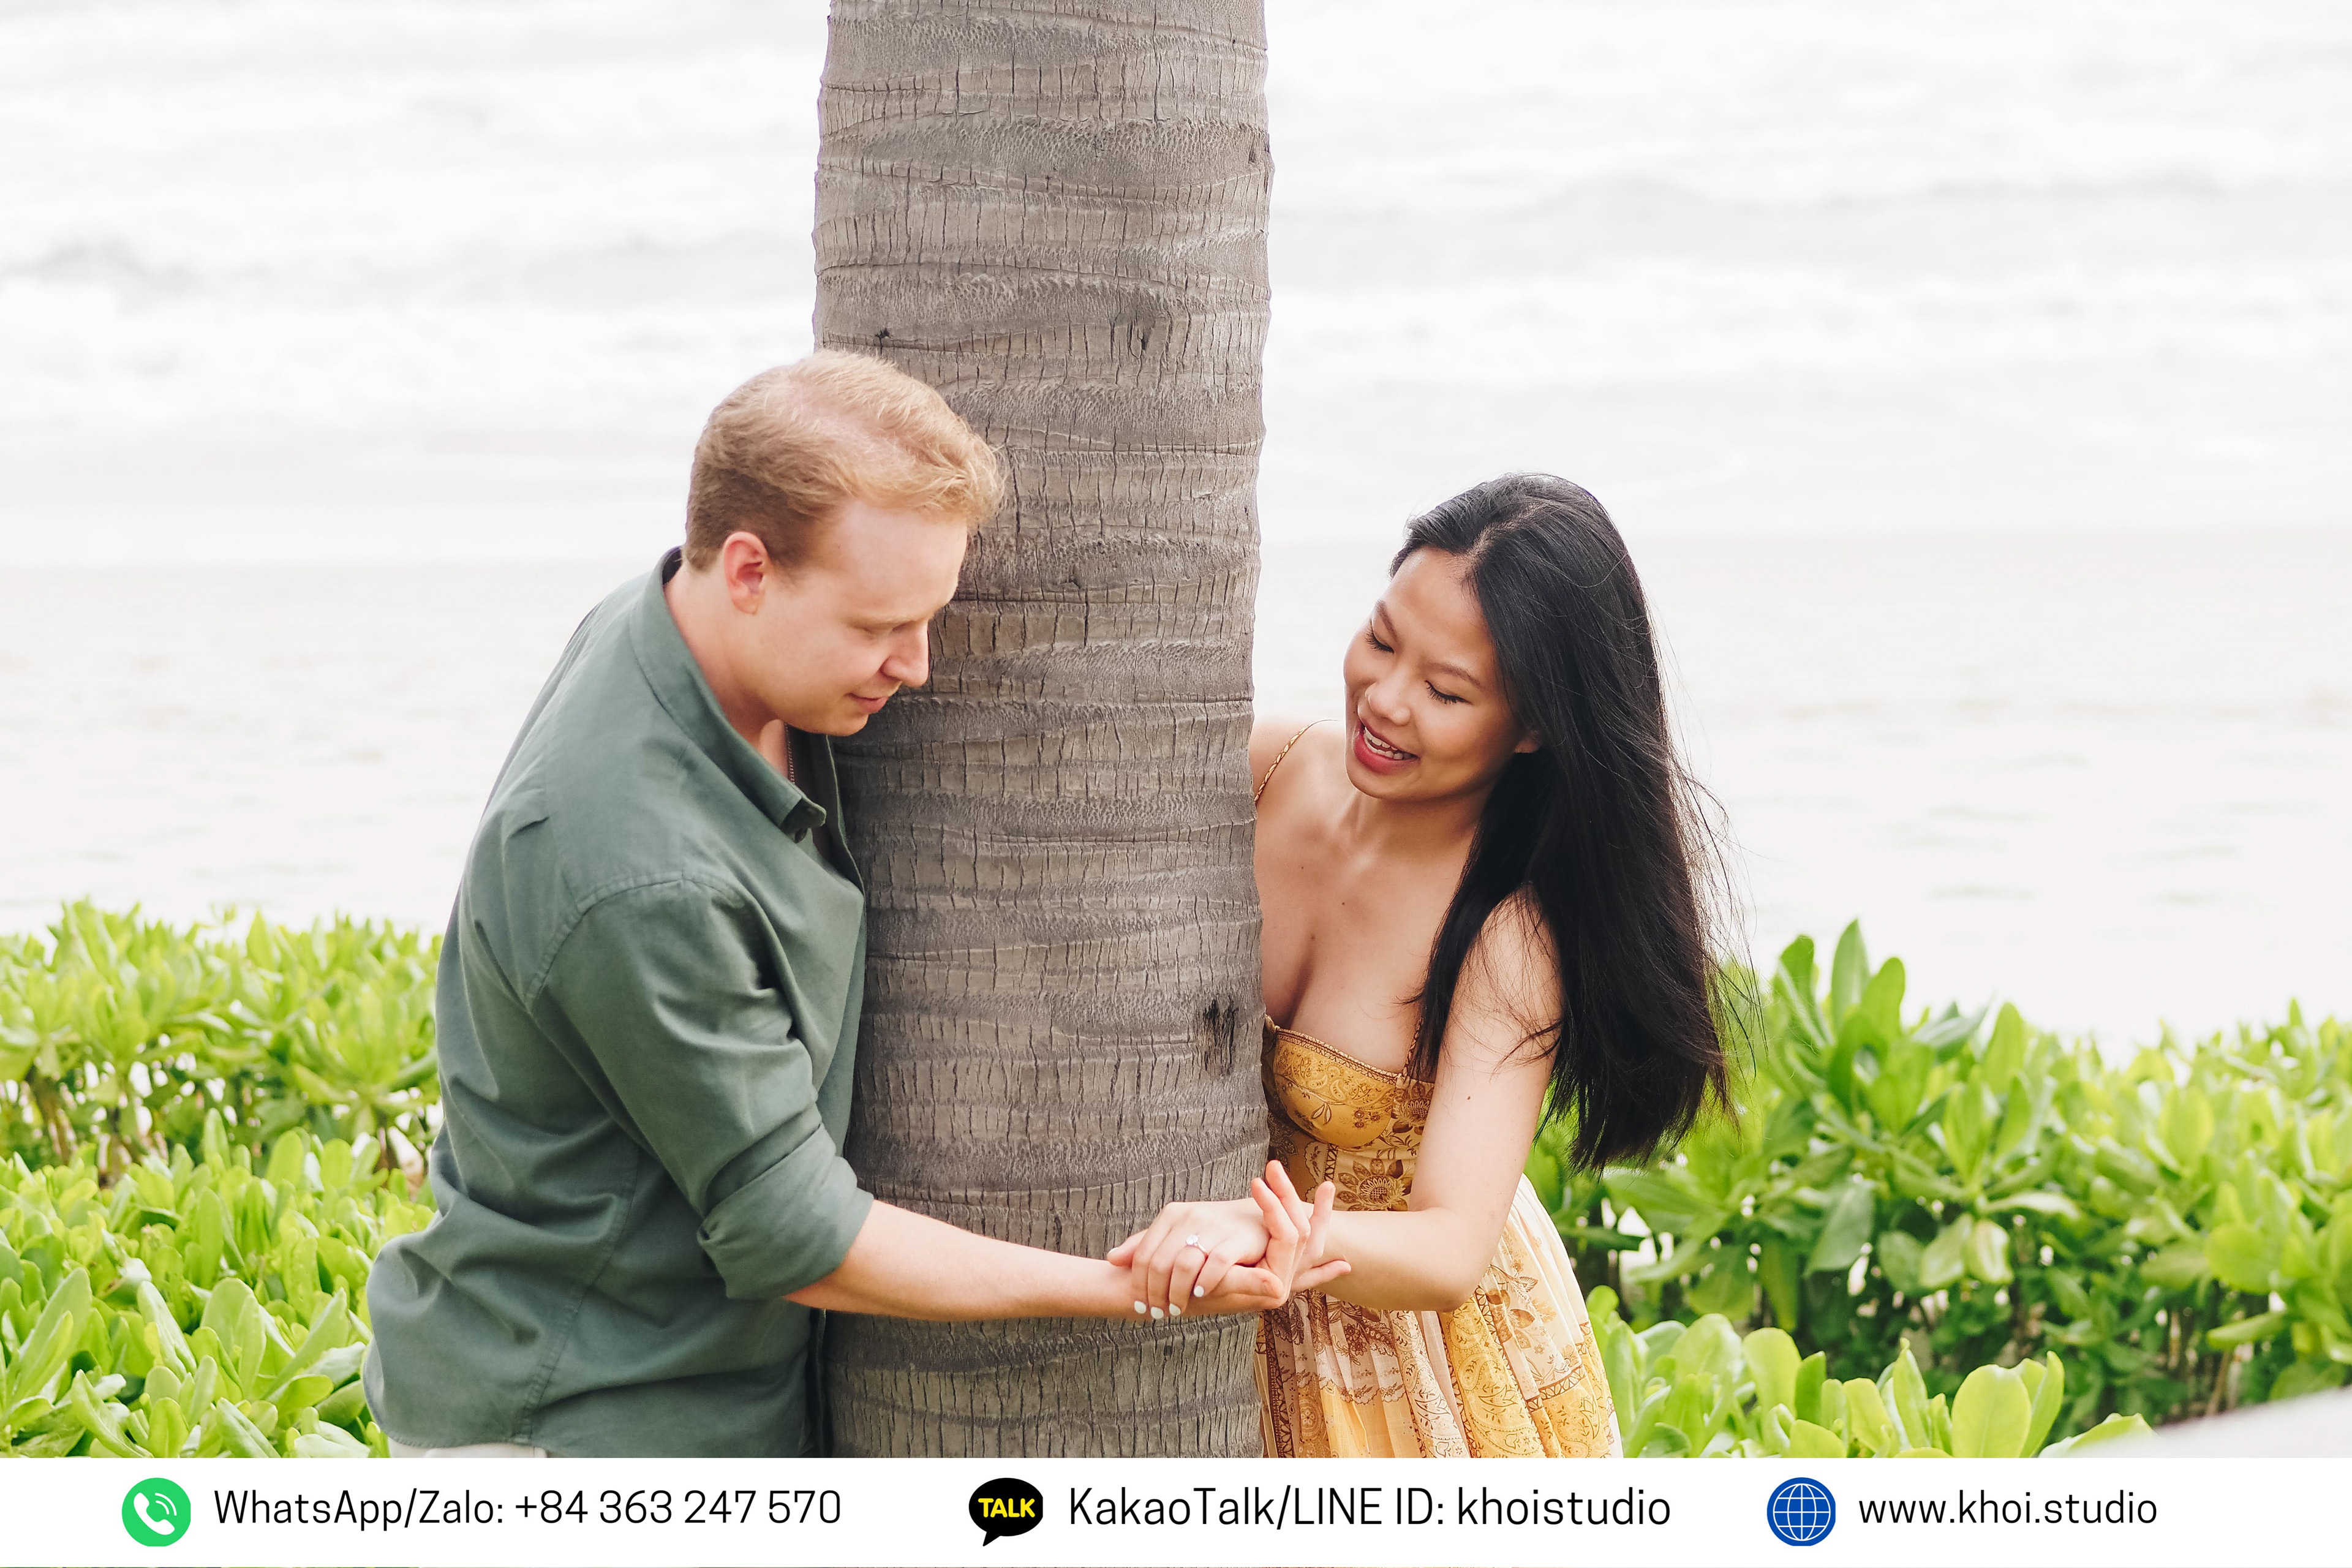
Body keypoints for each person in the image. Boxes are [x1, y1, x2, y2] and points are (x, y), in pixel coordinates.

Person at [363, 352, 1341, 1459]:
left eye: (930, 618)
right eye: (880, 625)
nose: (916, 667)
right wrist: (1129, 1290)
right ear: (746, 570)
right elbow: (800, 1237)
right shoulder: (637, 869)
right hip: (582, 1437)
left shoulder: (682, 634)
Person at [1112, 473, 1733, 1458]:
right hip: (1227, 1321)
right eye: (1382, 639)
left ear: (1531, 729)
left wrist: (1270, 1233)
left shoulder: (1508, 930)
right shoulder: (1270, 771)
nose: (1385, 700)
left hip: (1419, 1368)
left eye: (1447, 691)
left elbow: (1449, 1247)